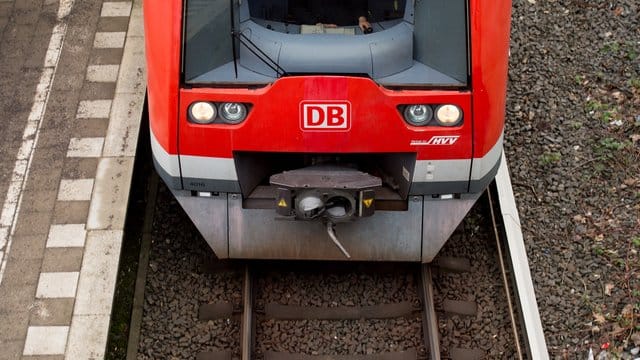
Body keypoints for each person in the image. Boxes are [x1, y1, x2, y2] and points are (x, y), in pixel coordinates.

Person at [291, 0, 373, 33]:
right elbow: (296, 7)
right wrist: (314, 23)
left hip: (346, 29)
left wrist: (362, 19)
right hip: (314, 30)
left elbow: (358, 3)